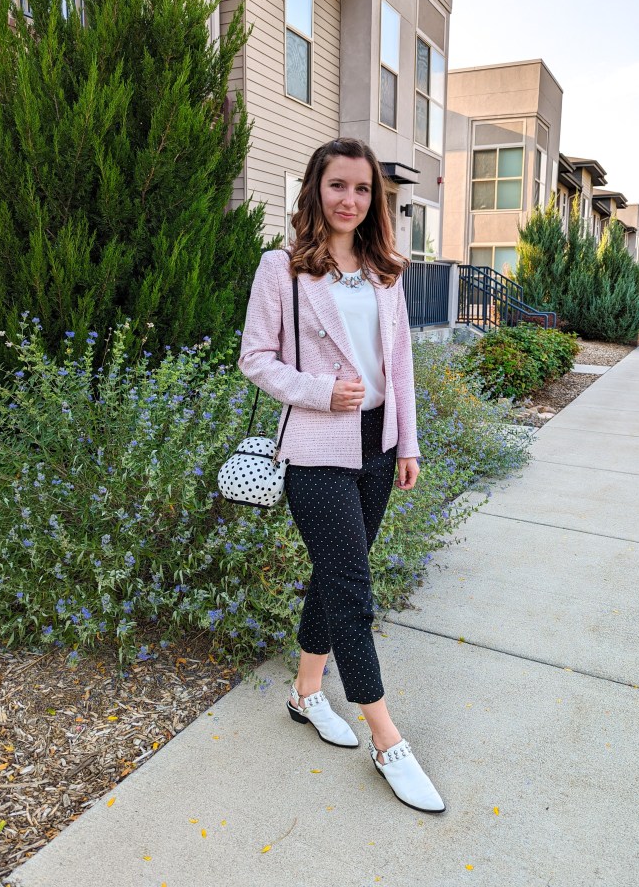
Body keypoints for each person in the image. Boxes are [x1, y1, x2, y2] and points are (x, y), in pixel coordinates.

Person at [239, 137, 445, 814]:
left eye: (361, 188)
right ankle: (387, 740)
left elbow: (400, 365)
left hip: (378, 447)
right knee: (353, 590)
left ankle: (305, 693)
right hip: (316, 448)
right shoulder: (283, 267)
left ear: (374, 198)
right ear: (315, 190)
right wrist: (321, 391)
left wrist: (408, 443)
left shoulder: (386, 270)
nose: (349, 199)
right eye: (337, 186)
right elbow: (255, 357)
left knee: (334, 576)